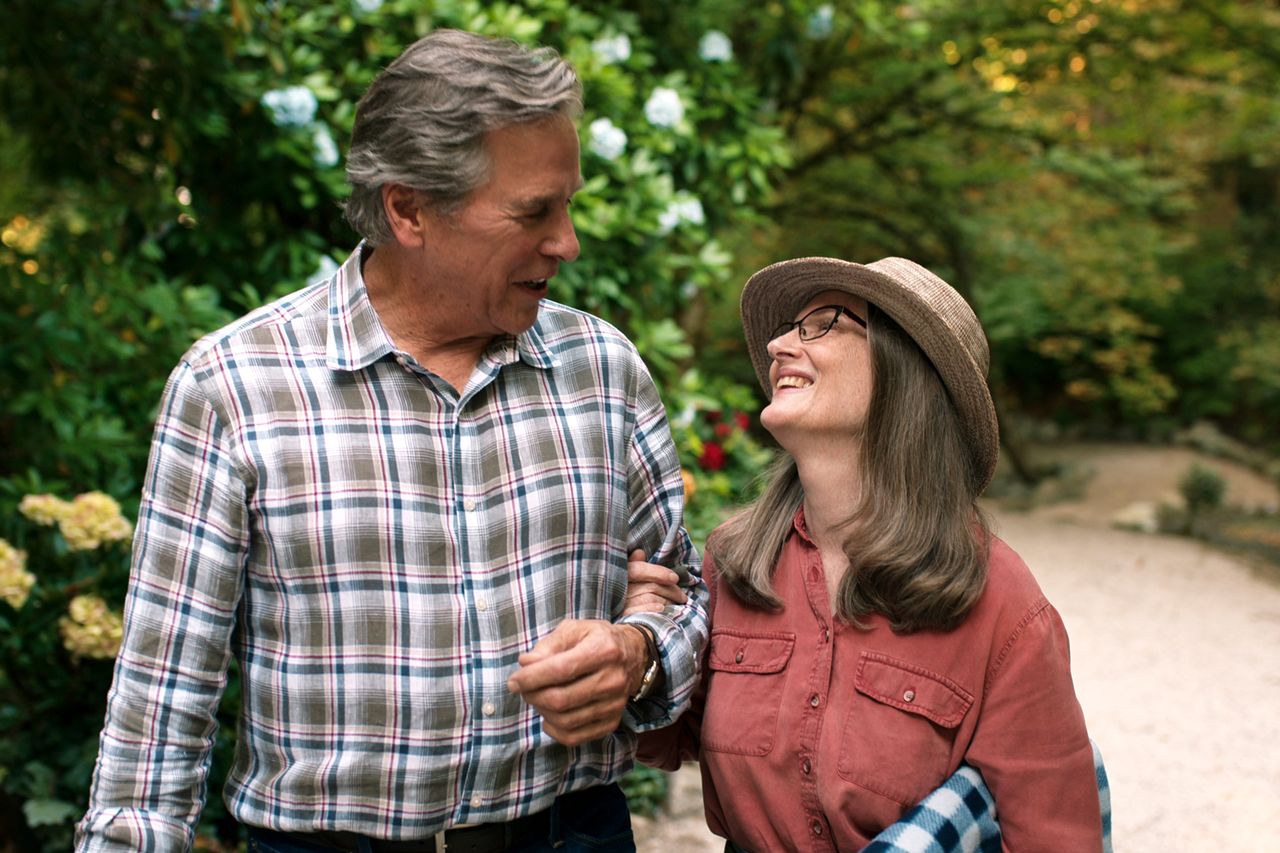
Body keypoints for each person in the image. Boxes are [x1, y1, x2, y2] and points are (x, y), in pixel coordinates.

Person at [76, 29, 707, 853]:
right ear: (409, 208)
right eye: (534, 211)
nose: (567, 241)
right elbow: (160, 705)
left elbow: (687, 594)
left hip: (570, 833)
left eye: (568, 203)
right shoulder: (233, 386)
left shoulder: (604, 369)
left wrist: (638, 654)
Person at [627, 257, 1103, 851]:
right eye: (787, 328)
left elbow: (1059, 838)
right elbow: (667, 735)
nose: (777, 345)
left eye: (821, 323)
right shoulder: (735, 559)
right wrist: (638, 641)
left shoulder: (1002, 604)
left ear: (905, 371)